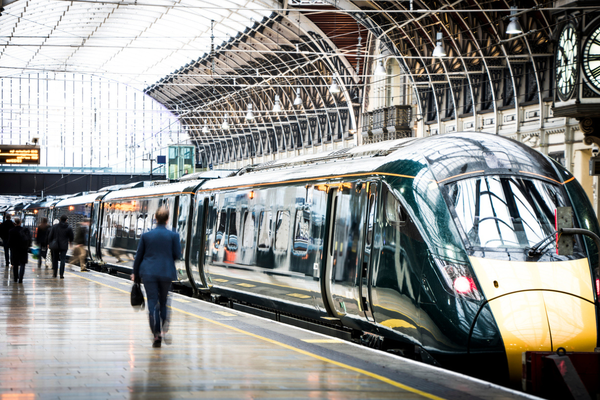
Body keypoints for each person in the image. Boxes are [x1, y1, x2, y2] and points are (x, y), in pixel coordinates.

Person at [131, 206, 181, 348]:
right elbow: (177, 255)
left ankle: (156, 334)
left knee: (152, 302)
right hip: (166, 272)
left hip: (148, 273)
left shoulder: (147, 236)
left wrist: (135, 273)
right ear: (167, 219)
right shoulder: (173, 236)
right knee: (164, 302)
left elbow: (138, 256)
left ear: (155, 219)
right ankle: (164, 328)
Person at [8, 217, 31, 283]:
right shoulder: (25, 230)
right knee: (22, 264)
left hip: (15, 250)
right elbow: (29, 240)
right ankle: (21, 278)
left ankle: (15, 278)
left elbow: (10, 242)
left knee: (15, 264)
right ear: (20, 222)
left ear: (15, 222)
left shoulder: (11, 231)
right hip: (23, 249)